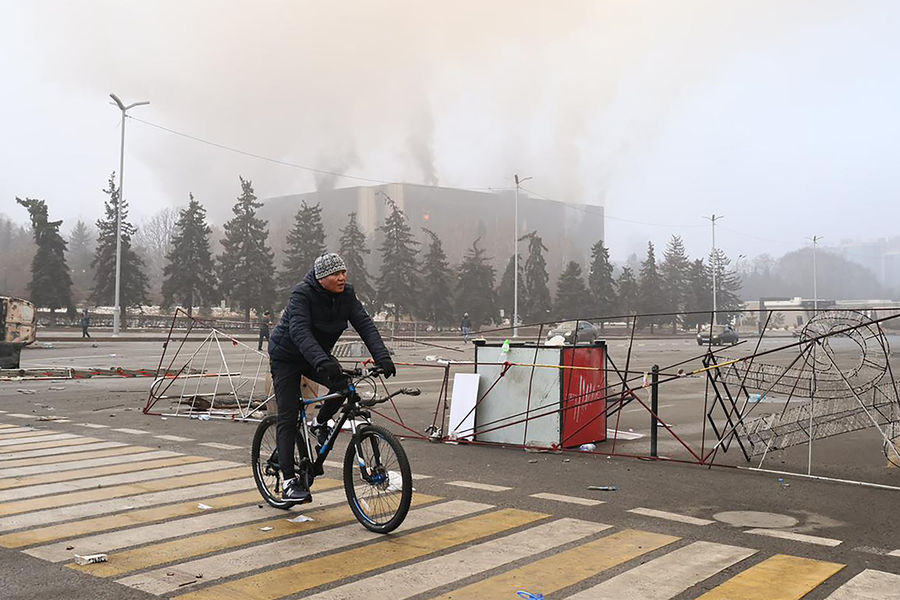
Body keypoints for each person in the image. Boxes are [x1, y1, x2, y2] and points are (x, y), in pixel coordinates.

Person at [268, 252, 396, 503]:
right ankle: (289, 482)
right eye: (335, 274)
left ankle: (319, 423)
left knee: (345, 387)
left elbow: (365, 325)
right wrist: (323, 361)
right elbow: (300, 331)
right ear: (321, 278)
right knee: (288, 415)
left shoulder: (347, 295)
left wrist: (382, 357)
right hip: (287, 357)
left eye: (343, 272)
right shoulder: (302, 294)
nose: (341, 277)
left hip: (316, 355)